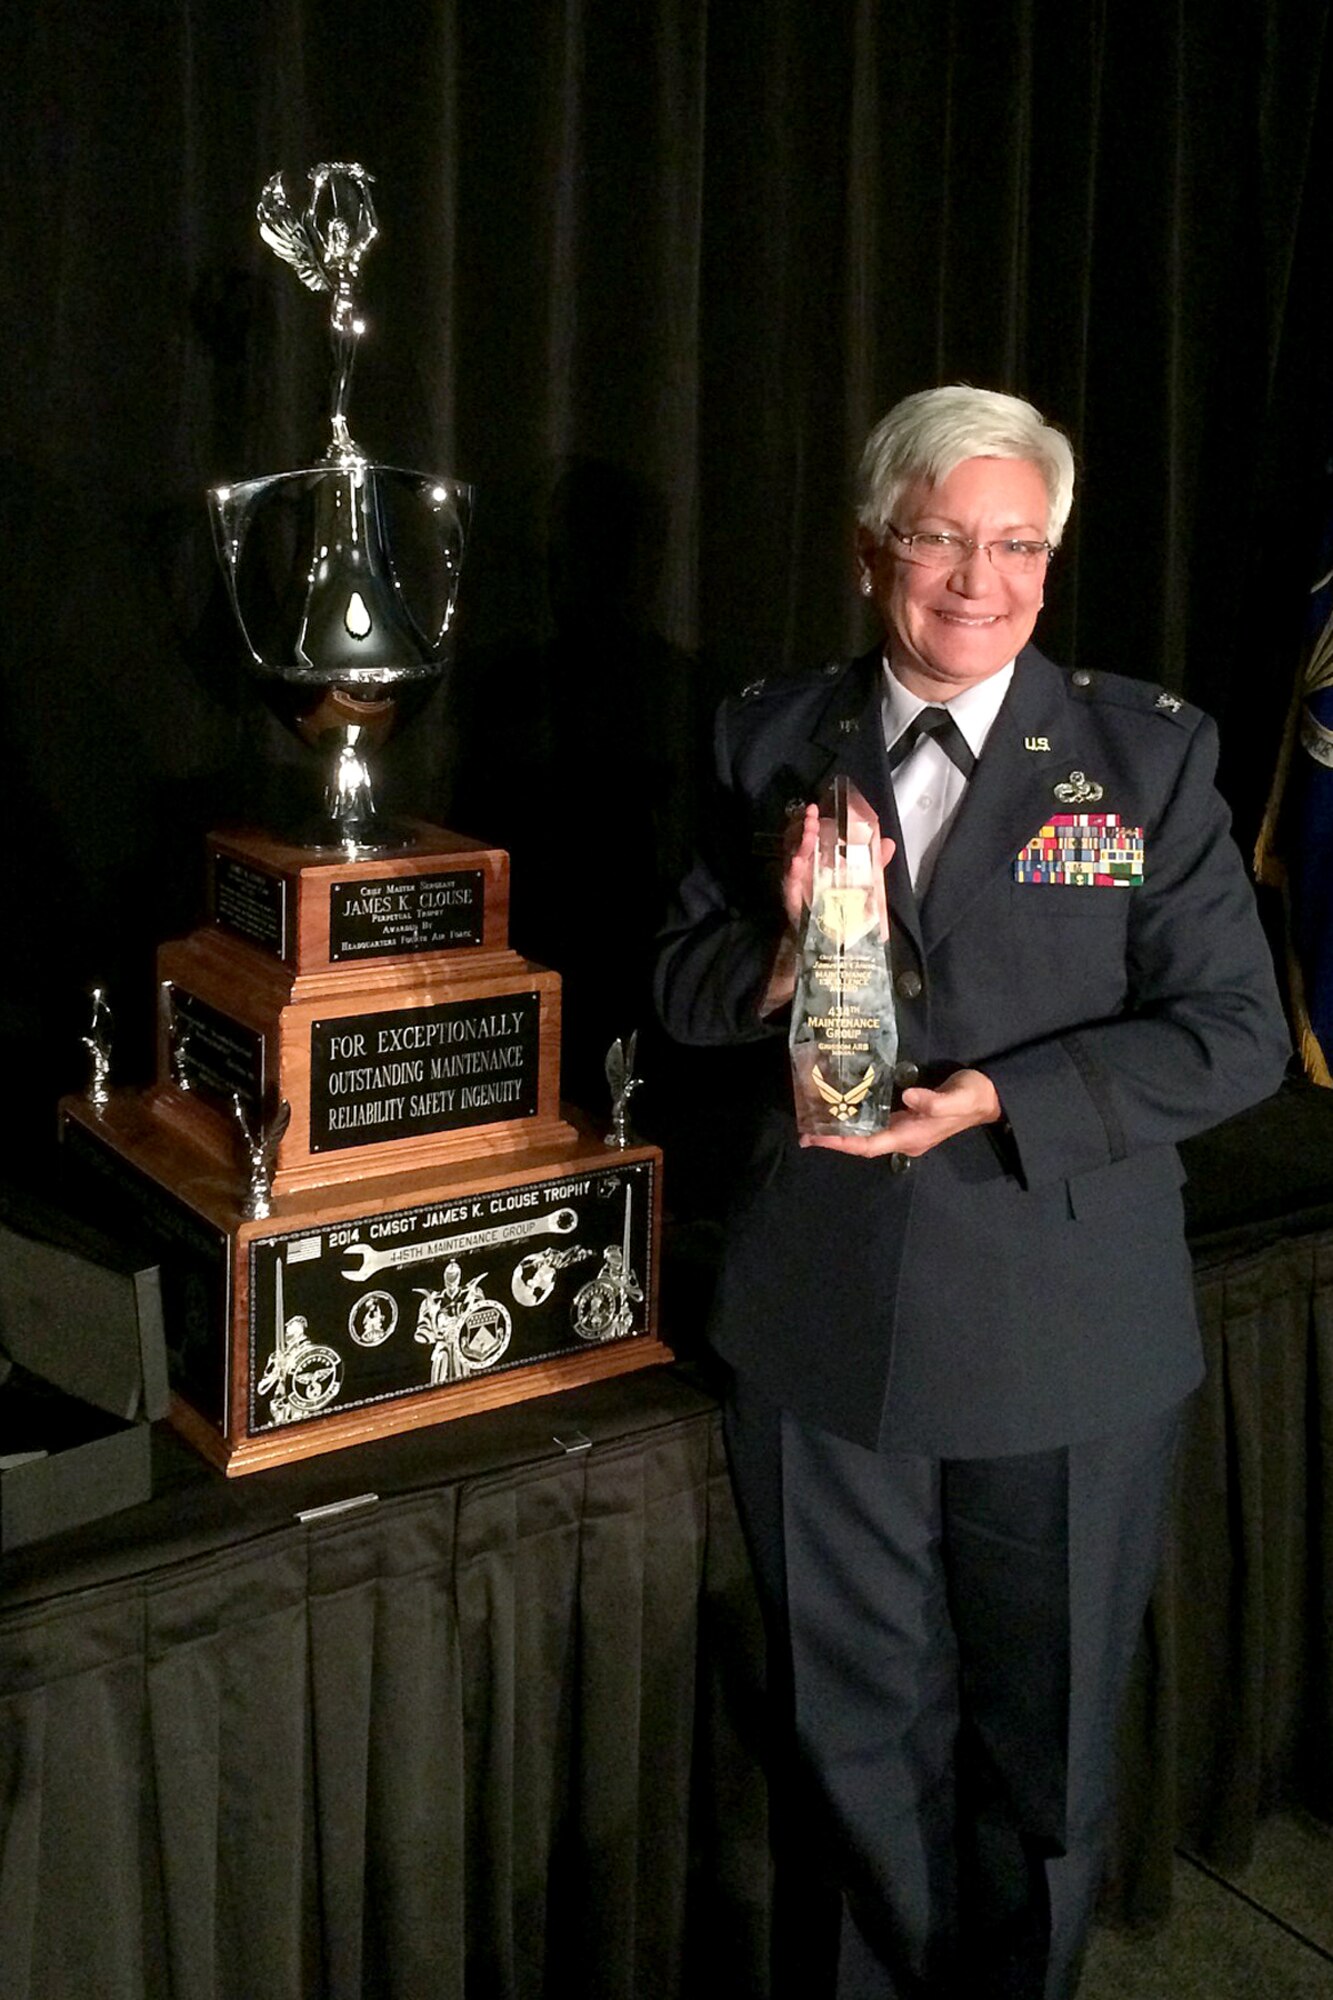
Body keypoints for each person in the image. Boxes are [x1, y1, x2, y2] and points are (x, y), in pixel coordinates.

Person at [654, 386, 1290, 1999]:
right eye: (941, 537)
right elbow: (672, 981)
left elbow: (1230, 1035)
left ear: (1049, 562)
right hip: (823, 1328)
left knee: (1043, 1755)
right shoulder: (765, 737)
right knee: (847, 1743)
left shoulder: (1141, 755)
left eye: (1015, 545)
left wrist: (1006, 1095)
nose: (975, 580)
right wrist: (790, 946)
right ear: (876, 550)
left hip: (1058, 1333)